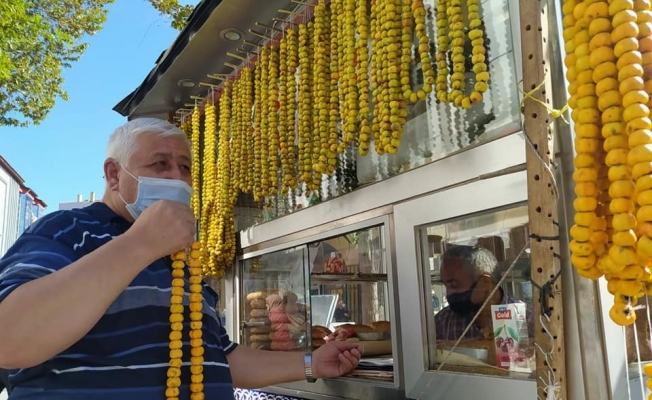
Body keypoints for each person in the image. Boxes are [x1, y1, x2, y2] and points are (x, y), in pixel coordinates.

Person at [0, 118, 362, 400]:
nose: (177, 178)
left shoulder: (180, 258)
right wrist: (138, 245)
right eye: (160, 164)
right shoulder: (67, 230)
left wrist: (310, 363)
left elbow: (217, 358)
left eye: (185, 167)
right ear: (114, 174)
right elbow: (9, 338)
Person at [434, 245, 534, 341]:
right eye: (445, 285)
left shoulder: (528, 319)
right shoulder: (441, 323)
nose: (449, 293)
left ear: (485, 282)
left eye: (454, 285)